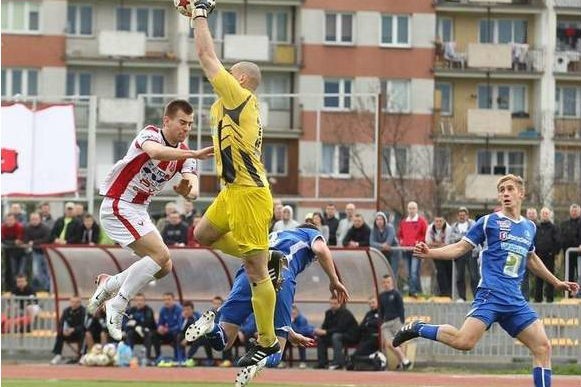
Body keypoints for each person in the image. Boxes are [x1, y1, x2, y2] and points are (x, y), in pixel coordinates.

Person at [393, 174, 580, 387]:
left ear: (521, 193)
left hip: (515, 301)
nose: (505, 193)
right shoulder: (488, 222)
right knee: (464, 342)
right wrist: (431, 253)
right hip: (490, 295)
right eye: (501, 190)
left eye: (510, 189)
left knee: (543, 347)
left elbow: (531, 258)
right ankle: (417, 328)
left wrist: (556, 282)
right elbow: (460, 248)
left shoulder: (530, 227)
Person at [188, 0, 281, 366]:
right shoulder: (229, 104)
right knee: (203, 233)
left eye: (231, 71)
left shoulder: (239, 96)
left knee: (256, 272)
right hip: (232, 191)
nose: (224, 73)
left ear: (241, 80)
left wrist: (198, 12)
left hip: (249, 194)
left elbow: (206, 55)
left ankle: (268, 341)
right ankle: (265, 255)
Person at [85, 98, 213, 341]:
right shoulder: (151, 134)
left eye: (190, 124)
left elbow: (193, 187)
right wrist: (194, 151)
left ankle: (110, 284)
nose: (186, 129)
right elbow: (155, 152)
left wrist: (189, 191)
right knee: (161, 255)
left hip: (139, 210)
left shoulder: (185, 155)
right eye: (182, 123)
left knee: (165, 267)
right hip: (118, 204)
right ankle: (118, 303)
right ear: (167, 121)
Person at [185, 224, 349, 386]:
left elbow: (264, 304)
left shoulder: (276, 234)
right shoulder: (309, 233)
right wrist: (334, 280)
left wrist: (289, 331)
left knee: (224, 342)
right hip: (280, 272)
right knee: (276, 351)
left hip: (249, 271)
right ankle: (259, 363)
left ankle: (210, 327)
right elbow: (321, 250)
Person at [314, 296, 359, 370]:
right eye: (331, 303)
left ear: (340, 303)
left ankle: (338, 363)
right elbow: (325, 326)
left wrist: (326, 332)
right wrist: (320, 331)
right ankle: (322, 363)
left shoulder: (345, 313)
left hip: (350, 336)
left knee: (336, 336)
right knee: (321, 338)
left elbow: (341, 328)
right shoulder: (328, 313)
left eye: (335, 303)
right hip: (335, 335)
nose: (333, 305)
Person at [378, 274, 411, 370]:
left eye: (388, 282)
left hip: (396, 321)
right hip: (386, 323)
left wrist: (401, 321)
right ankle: (405, 360)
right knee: (389, 343)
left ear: (391, 282)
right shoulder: (381, 296)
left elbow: (401, 308)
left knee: (401, 342)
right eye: (384, 282)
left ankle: (402, 363)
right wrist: (381, 322)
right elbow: (381, 310)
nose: (386, 284)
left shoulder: (396, 294)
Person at [447, 207, 479, 301]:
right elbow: (451, 239)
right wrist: (463, 238)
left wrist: (461, 238)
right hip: (459, 252)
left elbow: (475, 236)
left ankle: (476, 297)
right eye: (460, 215)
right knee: (460, 276)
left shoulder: (473, 224)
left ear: (467, 216)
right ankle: (462, 297)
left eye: (463, 215)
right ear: (458, 216)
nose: (462, 217)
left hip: (471, 252)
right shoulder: (454, 227)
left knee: (474, 276)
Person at [397, 201, 428, 297]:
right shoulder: (404, 222)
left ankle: (413, 291)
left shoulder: (421, 221)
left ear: (417, 209)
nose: (411, 210)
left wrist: (419, 242)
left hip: (416, 250)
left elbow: (425, 234)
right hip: (406, 250)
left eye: (413, 208)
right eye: (410, 208)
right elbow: (400, 235)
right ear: (407, 209)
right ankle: (415, 290)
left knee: (414, 271)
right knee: (408, 272)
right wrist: (401, 241)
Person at [534, 207, 560, 303]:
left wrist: (553, 252)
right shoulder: (537, 227)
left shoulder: (554, 228)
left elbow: (557, 242)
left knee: (550, 278)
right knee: (538, 279)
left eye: (546, 213)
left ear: (549, 215)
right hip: (538, 256)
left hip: (549, 257)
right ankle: (538, 300)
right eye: (543, 213)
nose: (545, 215)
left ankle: (550, 299)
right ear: (540, 215)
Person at [50, 296, 86, 365]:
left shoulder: (83, 311)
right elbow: (61, 323)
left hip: (78, 333)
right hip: (68, 334)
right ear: (70, 302)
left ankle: (83, 355)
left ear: (80, 303)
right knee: (60, 334)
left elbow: (84, 325)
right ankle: (58, 355)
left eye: (77, 302)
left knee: (84, 334)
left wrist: (73, 329)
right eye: (72, 302)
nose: (74, 304)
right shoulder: (66, 311)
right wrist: (64, 330)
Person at [123, 293, 156, 363]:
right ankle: (128, 357)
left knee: (148, 333)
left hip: (146, 334)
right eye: (137, 300)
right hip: (135, 333)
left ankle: (147, 357)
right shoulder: (131, 310)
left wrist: (135, 324)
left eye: (141, 300)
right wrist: (136, 326)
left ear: (144, 301)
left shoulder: (148, 310)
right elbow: (127, 324)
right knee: (130, 333)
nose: (139, 302)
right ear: (135, 301)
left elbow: (148, 324)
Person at [426, 216, 452, 297]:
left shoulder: (448, 228)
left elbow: (447, 243)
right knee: (440, 272)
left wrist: (435, 244)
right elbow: (428, 242)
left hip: (447, 253)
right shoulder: (430, 228)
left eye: (440, 221)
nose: (438, 223)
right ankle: (443, 292)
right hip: (436, 253)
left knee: (449, 272)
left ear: (444, 221)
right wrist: (439, 244)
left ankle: (450, 292)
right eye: (436, 221)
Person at [369, 211, 400, 276]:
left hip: (393, 252)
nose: (379, 221)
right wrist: (381, 245)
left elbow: (389, 241)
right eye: (377, 219)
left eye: (381, 219)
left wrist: (382, 245)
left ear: (384, 220)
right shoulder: (374, 230)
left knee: (392, 272)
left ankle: (393, 285)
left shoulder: (390, 227)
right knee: (382, 272)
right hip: (382, 252)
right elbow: (371, 242)